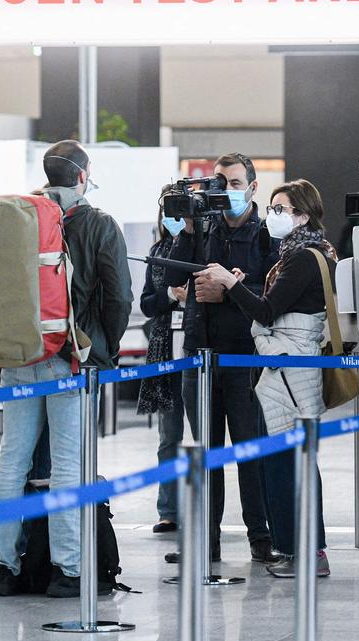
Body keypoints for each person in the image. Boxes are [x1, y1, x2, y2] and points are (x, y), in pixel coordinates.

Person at [0, 140, 131, 599]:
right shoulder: (99, 224)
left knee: (13, 460)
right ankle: (66, 570)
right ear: (83, 176)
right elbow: (119, 296)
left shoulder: (18, 218)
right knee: (69, 464)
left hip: (18, 356)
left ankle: (5, 568)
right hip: (70, 358)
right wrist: (103, 349)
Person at [194, 179, 333, 579]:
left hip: (290, 367)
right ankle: (292, 550)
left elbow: (268, 311)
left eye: (282, 209)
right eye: (271, 208)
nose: (272, 216)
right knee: (279, 461)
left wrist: (231, 284)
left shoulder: (304, 257)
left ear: (303, 215)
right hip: (281, 367)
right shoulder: (294, 255)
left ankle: (307, 552)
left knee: (289, 462)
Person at [164, 152, 278, 565]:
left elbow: (269, 301)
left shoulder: (268, 236)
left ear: (251, 187)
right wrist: (187, 230)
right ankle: (206, 540)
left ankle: (260, 537)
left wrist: (226, 290)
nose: (225, 191)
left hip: (245, 360)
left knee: (250, 452)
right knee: (206, 453)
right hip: (199, 356)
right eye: (218, 182)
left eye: (233, 183)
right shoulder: (201, 230)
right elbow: (174, 280)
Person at [137, 194, 194, 534]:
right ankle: (168, 510)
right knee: (168, 436)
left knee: (204, 437)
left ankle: (205, 510)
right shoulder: (158, 254)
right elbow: (146, 303)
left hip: (197, 348)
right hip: (164, 350)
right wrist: (172, 295)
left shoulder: (204, 248)